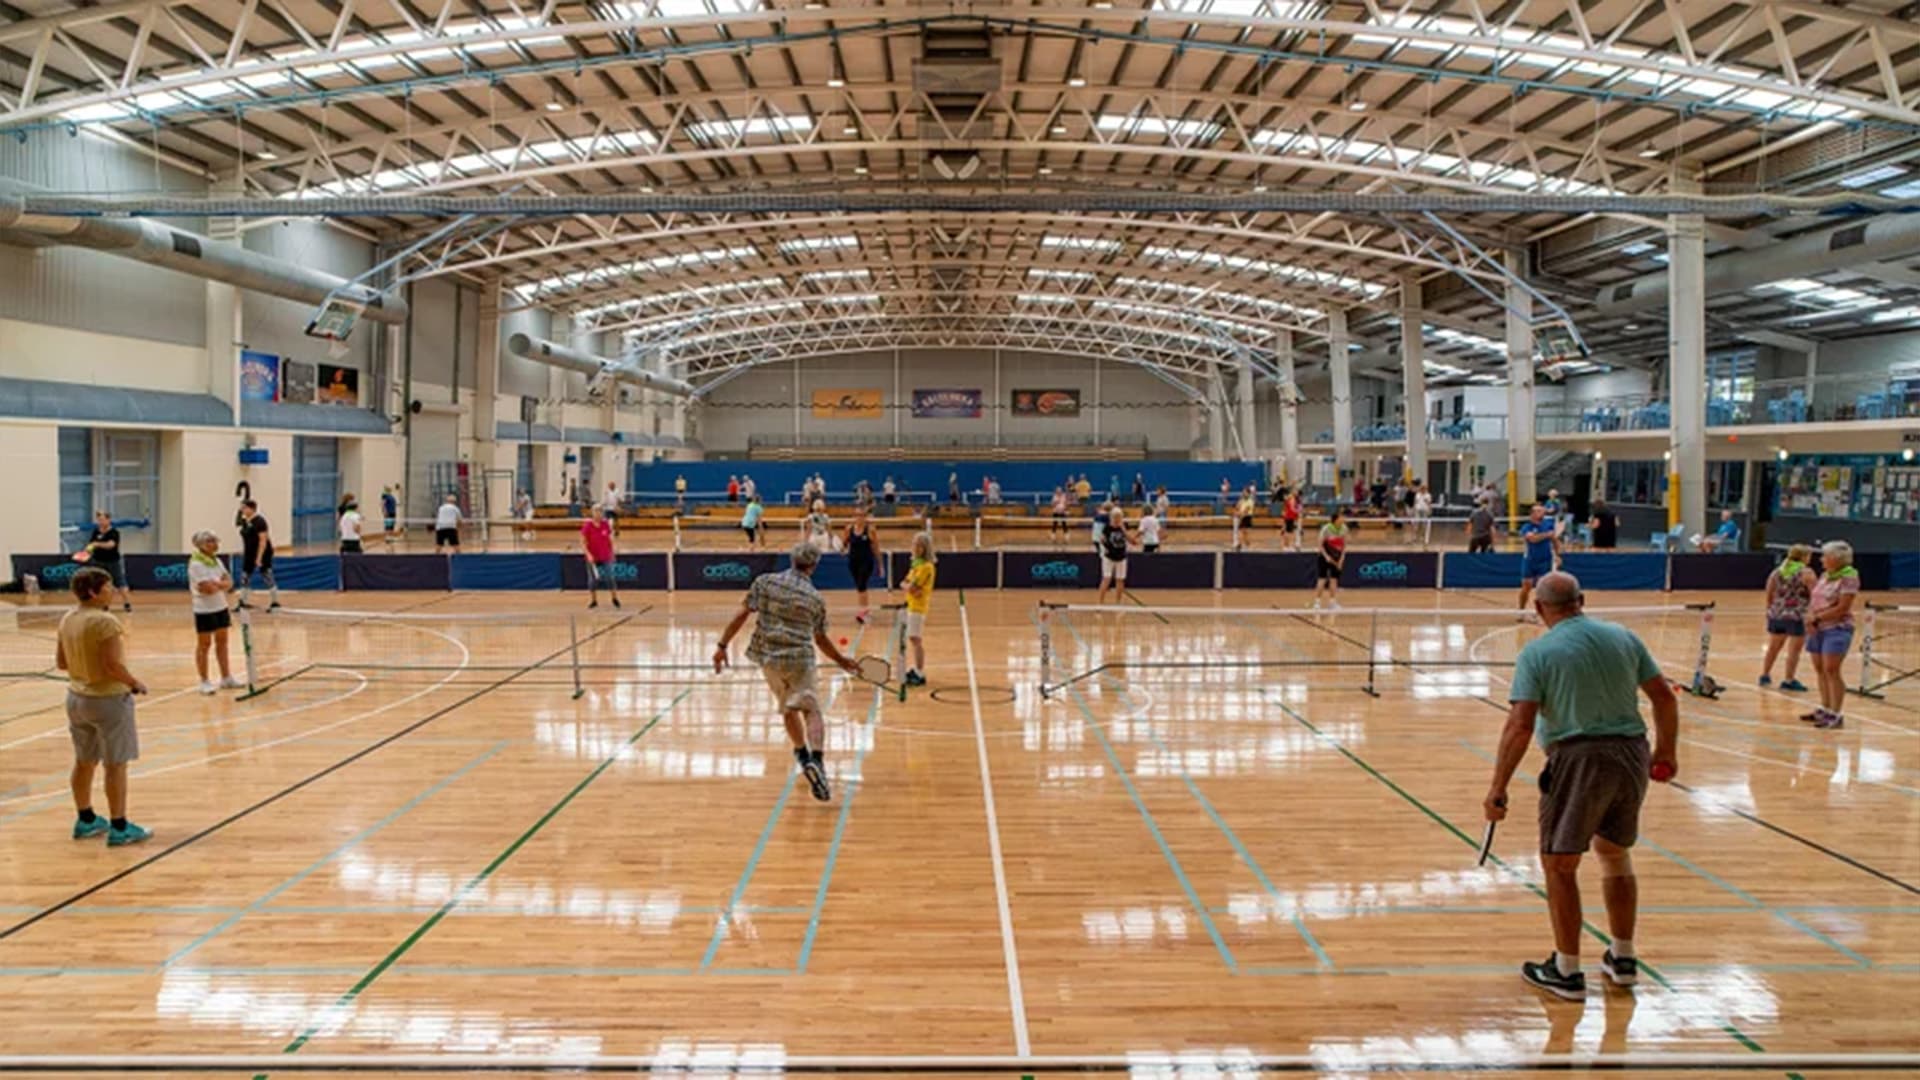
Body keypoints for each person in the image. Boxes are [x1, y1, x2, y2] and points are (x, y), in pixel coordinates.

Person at [1481, 571, 1679, 1002]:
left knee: (1559, 863)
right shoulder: (1623, 638)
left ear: (1538, 608)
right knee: (1614, 854)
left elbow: (1519, 725)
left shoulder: (1538, 653)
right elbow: (1665, 697)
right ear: (1582, 600)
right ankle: (1623, 957)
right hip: (1631, 754)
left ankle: (1567, 970)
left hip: (1578, 758)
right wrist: (1665, 753)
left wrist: (1498, 786)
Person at [712, 542, 859, 801]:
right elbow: (820, 639)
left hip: (768, 658)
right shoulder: (815, 598)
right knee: (811, 709)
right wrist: (841, 660)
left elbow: (741, 615)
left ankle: (801, 753)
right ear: (813, 566)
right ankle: (817, 759)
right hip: (799, 659)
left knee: (788, 707)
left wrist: (722, 646)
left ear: (791, 560)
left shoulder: (765, 582)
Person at [54, 566, 151, 846]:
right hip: (107, 700)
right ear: (94, 592)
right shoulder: (105, 622)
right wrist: (134, 683)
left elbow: (62, 663)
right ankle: (119, 826)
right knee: (115, 765)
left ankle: (85, 819)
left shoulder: (67, 618)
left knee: (84, 761)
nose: (112, 592)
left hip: (76, 698)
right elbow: (112, 665)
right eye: (108, 587)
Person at [1802, 540, 1860, 729]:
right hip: (1817, 628)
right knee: (1820, 669)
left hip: (1837, 628)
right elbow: (1815, 599)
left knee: (1831, 670)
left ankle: (1836, 713)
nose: (1821, 560)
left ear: (1836, 558)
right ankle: (1825, 708)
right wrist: (1810, 617)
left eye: (1825, 556)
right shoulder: (1826, 575)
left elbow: (1843, 607)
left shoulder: (1849, 577)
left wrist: (1817, 619)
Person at [187, 530, 241, 695]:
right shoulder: (196, 564)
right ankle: (204, 681)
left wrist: (218, 584)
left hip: (221, 607)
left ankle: (226, 677)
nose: (215, 544)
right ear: (202, 545)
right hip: (204, 609)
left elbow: (230, 582)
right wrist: (220, 585)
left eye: (215, 541)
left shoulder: (216, 561)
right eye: (210, 541)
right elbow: (207, 589)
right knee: (204, 645)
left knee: (223, 643)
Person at [1760, 544, 1815, 692]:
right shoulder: (1806, 572)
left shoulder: (1778, 571)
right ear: (1803, 557)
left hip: (1777, 613)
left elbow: (1769, 592)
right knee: (1794, 651)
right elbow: (1814, 594)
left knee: (1773, 647)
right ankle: (1788, 679)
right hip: (1797, 614)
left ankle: (1765, 674)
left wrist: (1770, 609)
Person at [901, 532, 937, 688]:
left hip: (918, 607)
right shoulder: (916, 564)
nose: (913, 548)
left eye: (917, 545)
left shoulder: (926, 567)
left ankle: (919, 673)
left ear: (923, 548)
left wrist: (909, 587)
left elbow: (913, 588)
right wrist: (908, 586)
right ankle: (917, 669)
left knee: (915, 639)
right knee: (913, 638)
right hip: (911, 605)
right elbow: (904, 583)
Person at [82, 510, 131, 613]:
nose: (100, 522)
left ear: (108, 520)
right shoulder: (96, 532)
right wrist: (88, 549)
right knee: (101, 584)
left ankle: (127, 604)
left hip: (113, 562)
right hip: (98, 562)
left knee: (120, 583)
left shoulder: (114, 533)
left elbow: (111, 545)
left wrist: (97, 544)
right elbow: (91, 545)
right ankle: (104, 605)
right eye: (99, 520)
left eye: (102, 519)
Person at [236, 500, 279, 612]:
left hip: (263, 552)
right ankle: (242, 602)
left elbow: (263, 540)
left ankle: (275, 603)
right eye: (242, 508)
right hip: (249, 553)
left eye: (244, 508)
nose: (242, 510)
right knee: (245, 576)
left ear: (252, 509)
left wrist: (259, 558)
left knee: (267, 575)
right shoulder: (245, 521)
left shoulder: (260, 521)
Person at [844, 505, 884, 626]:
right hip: (853, 562)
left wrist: (881, 565)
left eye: (862, 516)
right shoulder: (848, 529)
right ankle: (864, 611)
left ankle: (863, 613)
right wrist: (841, 547)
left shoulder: (870, 530)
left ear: (865, 517)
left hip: (866, 562)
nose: (859, 518)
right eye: (857, 515)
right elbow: (844, 544)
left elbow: (876, 548)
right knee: (860, 587)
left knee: (862, 585)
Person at [1517, 505, 1556, 618]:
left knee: (1541, 588)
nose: (1542, 512)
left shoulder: (1548, 524)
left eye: (1542, 511)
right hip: (1529, 560)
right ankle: (1521, 611)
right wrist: (1547, 534)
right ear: (1532, 514)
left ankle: (1539, 612)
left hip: (1545, 560)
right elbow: (1533, 539)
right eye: (1538, 511)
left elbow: (1554, 540)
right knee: (1526, 586)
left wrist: (1558, 555)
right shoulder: (1526, 527)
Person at [581, 504, 620, 610]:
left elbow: (609, 540)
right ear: (592, 512)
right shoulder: (587, 526)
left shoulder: (605, 524)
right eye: (596, 511)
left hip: (605, 556)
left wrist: (612, 553)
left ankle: (614, 598)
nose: (598, 513)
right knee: (592, 581)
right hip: (592, 558)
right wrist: (588, 554)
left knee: (610, 578)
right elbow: (583, 543)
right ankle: (594, 601)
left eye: (600, 511)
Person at [1312, 506, 1347, 610]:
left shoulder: (1344, 529)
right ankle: (1317, 602)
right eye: (1341, 518)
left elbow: (1344, 545)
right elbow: (1320, 545)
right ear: (1335, 520)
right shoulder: (1326, 529)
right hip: (1324, 557)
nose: (1343, 520)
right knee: (1322, 579)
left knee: (1334, 580)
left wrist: (1341, 559)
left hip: (1336, 557)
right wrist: (1326, 556)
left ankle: (1332, 603)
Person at [1097, 507, 1132, 606]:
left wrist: (1124, 530)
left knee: (1120, 580)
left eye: (1119, 517)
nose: (1117, 519)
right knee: (1106, 579)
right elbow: (1101, 539)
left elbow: (1133, 541)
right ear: (1111, 517)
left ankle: (1118, 602)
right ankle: (1100, 603)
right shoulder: (1107, 528)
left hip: (1121, 557)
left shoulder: (1124, 526)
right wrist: (1105, 547)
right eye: (1115, 517)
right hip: (1109, 557)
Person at [1234, 486, 1257, 552]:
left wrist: (1240, 515)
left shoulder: (1251, 501)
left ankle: (1244, 545)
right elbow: (1237, 507)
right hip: (1242, 517)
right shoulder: (1241, 500)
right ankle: (1243, 545)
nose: (1243, 493)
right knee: (1243, 532)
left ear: (1248, 493)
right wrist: (1236, 512)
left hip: (1247, 517)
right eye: (1243, 492)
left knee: (1245, 533)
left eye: (1245, 492)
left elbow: (1246, 510)